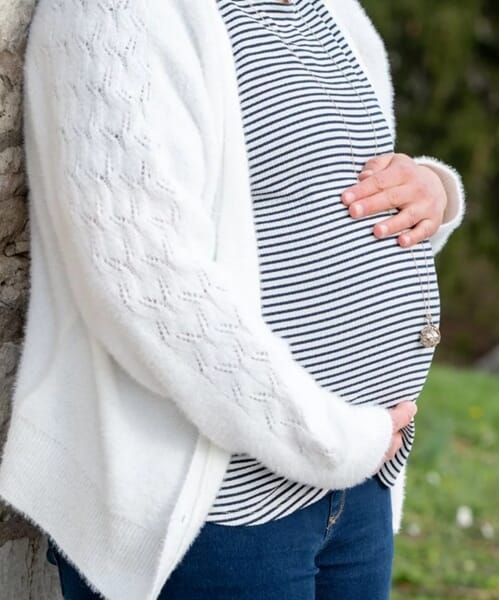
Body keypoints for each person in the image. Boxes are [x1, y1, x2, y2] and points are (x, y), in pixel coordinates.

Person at [0, 0, 466, 598]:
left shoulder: (329, 11)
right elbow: (146, 282)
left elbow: (318, 188)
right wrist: (336, 440)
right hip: (215, 517)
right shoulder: (113, 12)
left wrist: (430, 191)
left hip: (356, 492)